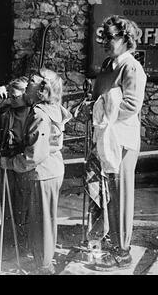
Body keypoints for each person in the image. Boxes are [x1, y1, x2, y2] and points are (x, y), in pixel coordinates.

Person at [1, 68, 71, 274]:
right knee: (46, 220)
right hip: (53, 170)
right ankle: (44, 260)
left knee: (40, 224)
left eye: (32, 81)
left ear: (41, 90)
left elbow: (34, 155)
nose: (27, 84)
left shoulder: (39, 113)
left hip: (42, 173)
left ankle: (44, 266)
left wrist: (10, 163)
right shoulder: (54, 107)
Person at [91, 15, 147, 271]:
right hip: (106, 137)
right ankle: (114, 246)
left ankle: (122, 253)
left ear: (126, 40)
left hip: (122, 141)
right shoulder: (108, 64)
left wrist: (103, 112)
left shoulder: (131, 68)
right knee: (109, 195)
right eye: (104, 37)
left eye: (111, 37)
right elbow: (98, 95)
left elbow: (131, 105)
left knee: (121, 196)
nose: (105, 42)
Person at [0, 77, 31, 254]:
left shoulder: (31, 113)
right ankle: (11, 244)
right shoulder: (7, 112)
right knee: (7, 203)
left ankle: (24, 246)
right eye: (10, 96)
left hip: (22, 162)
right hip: (6, 160)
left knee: (23, 204)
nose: (12, 100)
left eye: (15, 96)